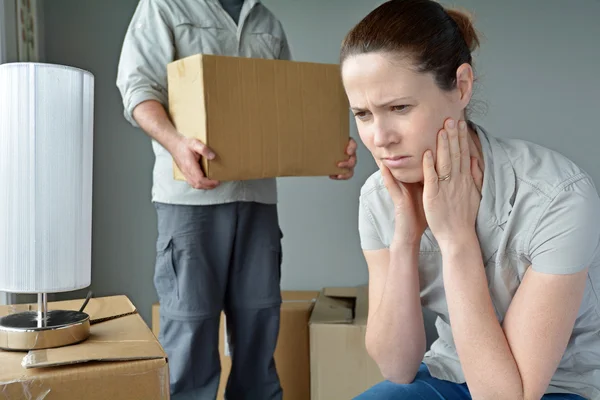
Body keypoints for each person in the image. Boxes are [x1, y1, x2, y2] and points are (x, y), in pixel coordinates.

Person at [338, 0, 600, 399]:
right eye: (363, 114)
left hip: (561, 385)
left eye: (399, 108)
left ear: (461, 86)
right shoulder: (378, 198)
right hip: (455, 372)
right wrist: (405, 237)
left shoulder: (557, 196)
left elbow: (506, 396)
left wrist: (456, 237)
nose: (380, 137)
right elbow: (397, 366)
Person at [115, 0, 357, 399]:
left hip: (258, 199)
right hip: (190, 202)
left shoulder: (266, 20)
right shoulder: (164, 7)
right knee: (190, 333)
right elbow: (138, 88)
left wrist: (327, 149)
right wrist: (176, 144)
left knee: (259, 328)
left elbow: (285, 106)